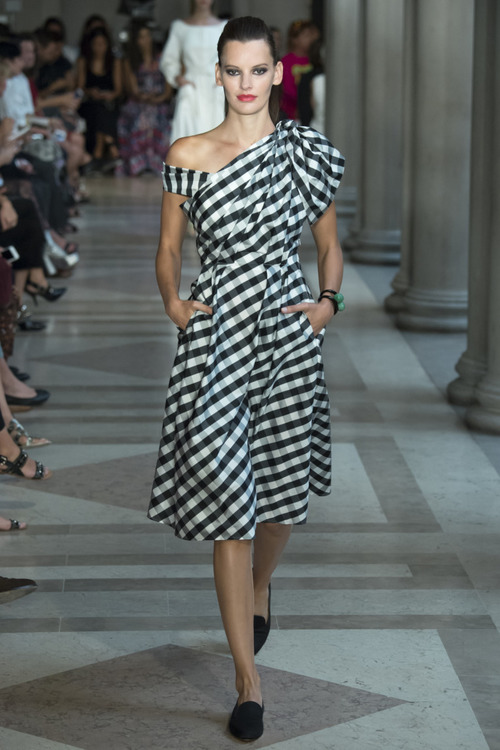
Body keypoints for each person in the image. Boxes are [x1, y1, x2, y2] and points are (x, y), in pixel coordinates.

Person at [148, 16, 344, 741]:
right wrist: (174, 304)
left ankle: (261, 585)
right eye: (234, 70)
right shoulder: (190, 154)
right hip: (217, 339)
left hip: (288, 337)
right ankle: (247, 681)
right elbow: (169, 249)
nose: (246, 83)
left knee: (281, 495)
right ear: (219, 74)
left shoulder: (304, 153)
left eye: (258, 70)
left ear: (278, 73)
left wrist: (327, 305)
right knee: (229, 492)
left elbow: (330, 247)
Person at [159, 0, 226, 144]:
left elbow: (230, 57)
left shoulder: (224, 27)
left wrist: (225, 77)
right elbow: (168, 59)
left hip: (216, 88)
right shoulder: (180, 27)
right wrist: (177, 78)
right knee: (189, 137)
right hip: (191, 89)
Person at [117, 23, 172, 176]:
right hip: (138, 102)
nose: (146, 40)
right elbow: (132, 89)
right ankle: (139, 165)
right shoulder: (130, 61)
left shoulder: (162, 59)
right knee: (141, 118)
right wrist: (144, 97)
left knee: (157, 118)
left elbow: (168, 90)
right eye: (141, 37)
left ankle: (157, 164)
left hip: (159, 102)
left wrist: (158, 98)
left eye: (148, 36)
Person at [76, 27, 122, 170]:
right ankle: (111, 147)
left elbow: (118, 90)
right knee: (98, 111)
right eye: (96, 44)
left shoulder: (114, 62)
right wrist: (91, 92)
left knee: (102, 111)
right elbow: (80, 87)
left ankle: (97, 155)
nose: (99, 48)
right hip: (89, 103)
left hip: (109, 103)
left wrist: (109, 95)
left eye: (102, 44)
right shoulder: (84, 61)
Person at [280, 19, 319, 120]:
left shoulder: (315, 60)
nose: (311, 39)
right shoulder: (286, 61)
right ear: (295, 39)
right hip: (292, 115)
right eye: (306, 36)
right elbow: (287, 89)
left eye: (311, 35)